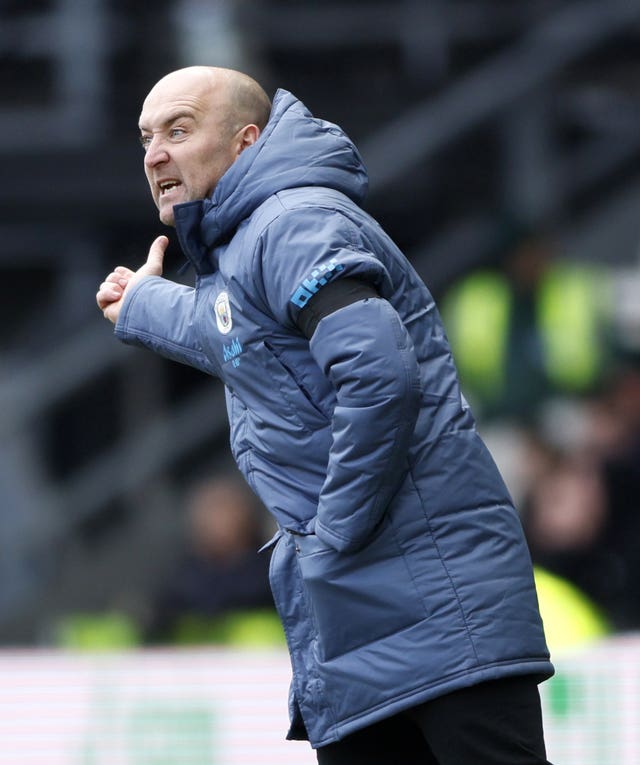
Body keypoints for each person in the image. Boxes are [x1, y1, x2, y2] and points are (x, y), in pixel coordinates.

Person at [96, 66, 555, 764]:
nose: (155, 153)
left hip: (434, 602)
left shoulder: (293, 221)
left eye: (179, 130)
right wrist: (143, 306)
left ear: (246, 141)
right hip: (360, 617)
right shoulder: (253, 239)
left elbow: (378, 373)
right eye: (147, 137)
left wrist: (332, 528)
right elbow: (240, 334)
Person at [145, 473, 280, 645]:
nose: (217, 520)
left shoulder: (269, 576)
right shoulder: (182, 579)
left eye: (225, 509)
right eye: (211, 510)